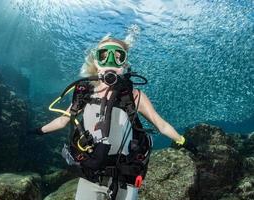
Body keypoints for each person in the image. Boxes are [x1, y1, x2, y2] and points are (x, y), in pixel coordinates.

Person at [32, 35, 197, 200]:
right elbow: (63, 120)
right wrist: (37, 131)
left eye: (118, 57)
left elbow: (161, 125)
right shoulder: (84, 93)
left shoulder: (134, 96)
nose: (110, 62)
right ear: (96, 63)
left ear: (124, 65)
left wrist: (183, 141)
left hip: (125, 177)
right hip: (91, 174)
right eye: (104, 56)